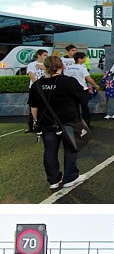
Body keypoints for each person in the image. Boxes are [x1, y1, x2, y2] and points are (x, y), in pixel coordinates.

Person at [28, 55, 86, 191]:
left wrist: (36, 122)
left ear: (45, 67)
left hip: (47, 123)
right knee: (70, 148)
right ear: (62, 66)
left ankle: (53, 180)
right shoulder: (68, 81)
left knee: (50, 150)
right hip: (68, 121)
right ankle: (70, 177)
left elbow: (33, 106)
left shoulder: (37, 85)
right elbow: (81, 96)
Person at [64, 52, 99, 126]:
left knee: (74, 106)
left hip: (71, 90)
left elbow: (66, 78)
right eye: (84, 58)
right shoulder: (82, 68)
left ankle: (76, 121)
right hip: (82, 89)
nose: (85, 59)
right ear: (80, 59)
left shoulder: (68, 67)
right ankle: (86, 122)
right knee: (84, 107)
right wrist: (95, 85)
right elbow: (88, 79)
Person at [25, 48, 47, 133]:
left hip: (45, 87)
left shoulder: (47, 64)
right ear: (39, 55)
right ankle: (31, 125)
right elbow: (32, 76)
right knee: (33, 106)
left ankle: (43, 124)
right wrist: (38, 86)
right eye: (45, 55)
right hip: (35, 88)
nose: (46, 57)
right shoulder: (32, 65)